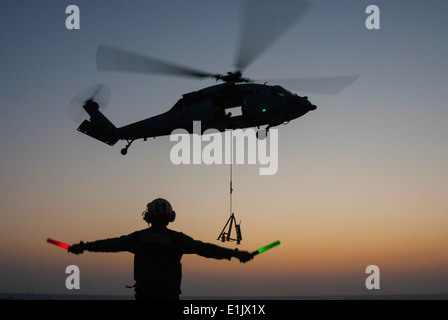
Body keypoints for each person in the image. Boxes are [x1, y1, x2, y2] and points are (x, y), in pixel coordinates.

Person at [68, 198, 253, 300]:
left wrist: (84, 247)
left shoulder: (138, 238)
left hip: (144, 297)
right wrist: (234, 254)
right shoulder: (177, 239)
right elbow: (204, 249)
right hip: (168, 298)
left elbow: (112, 244)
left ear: (148, 217)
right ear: (170, 217)